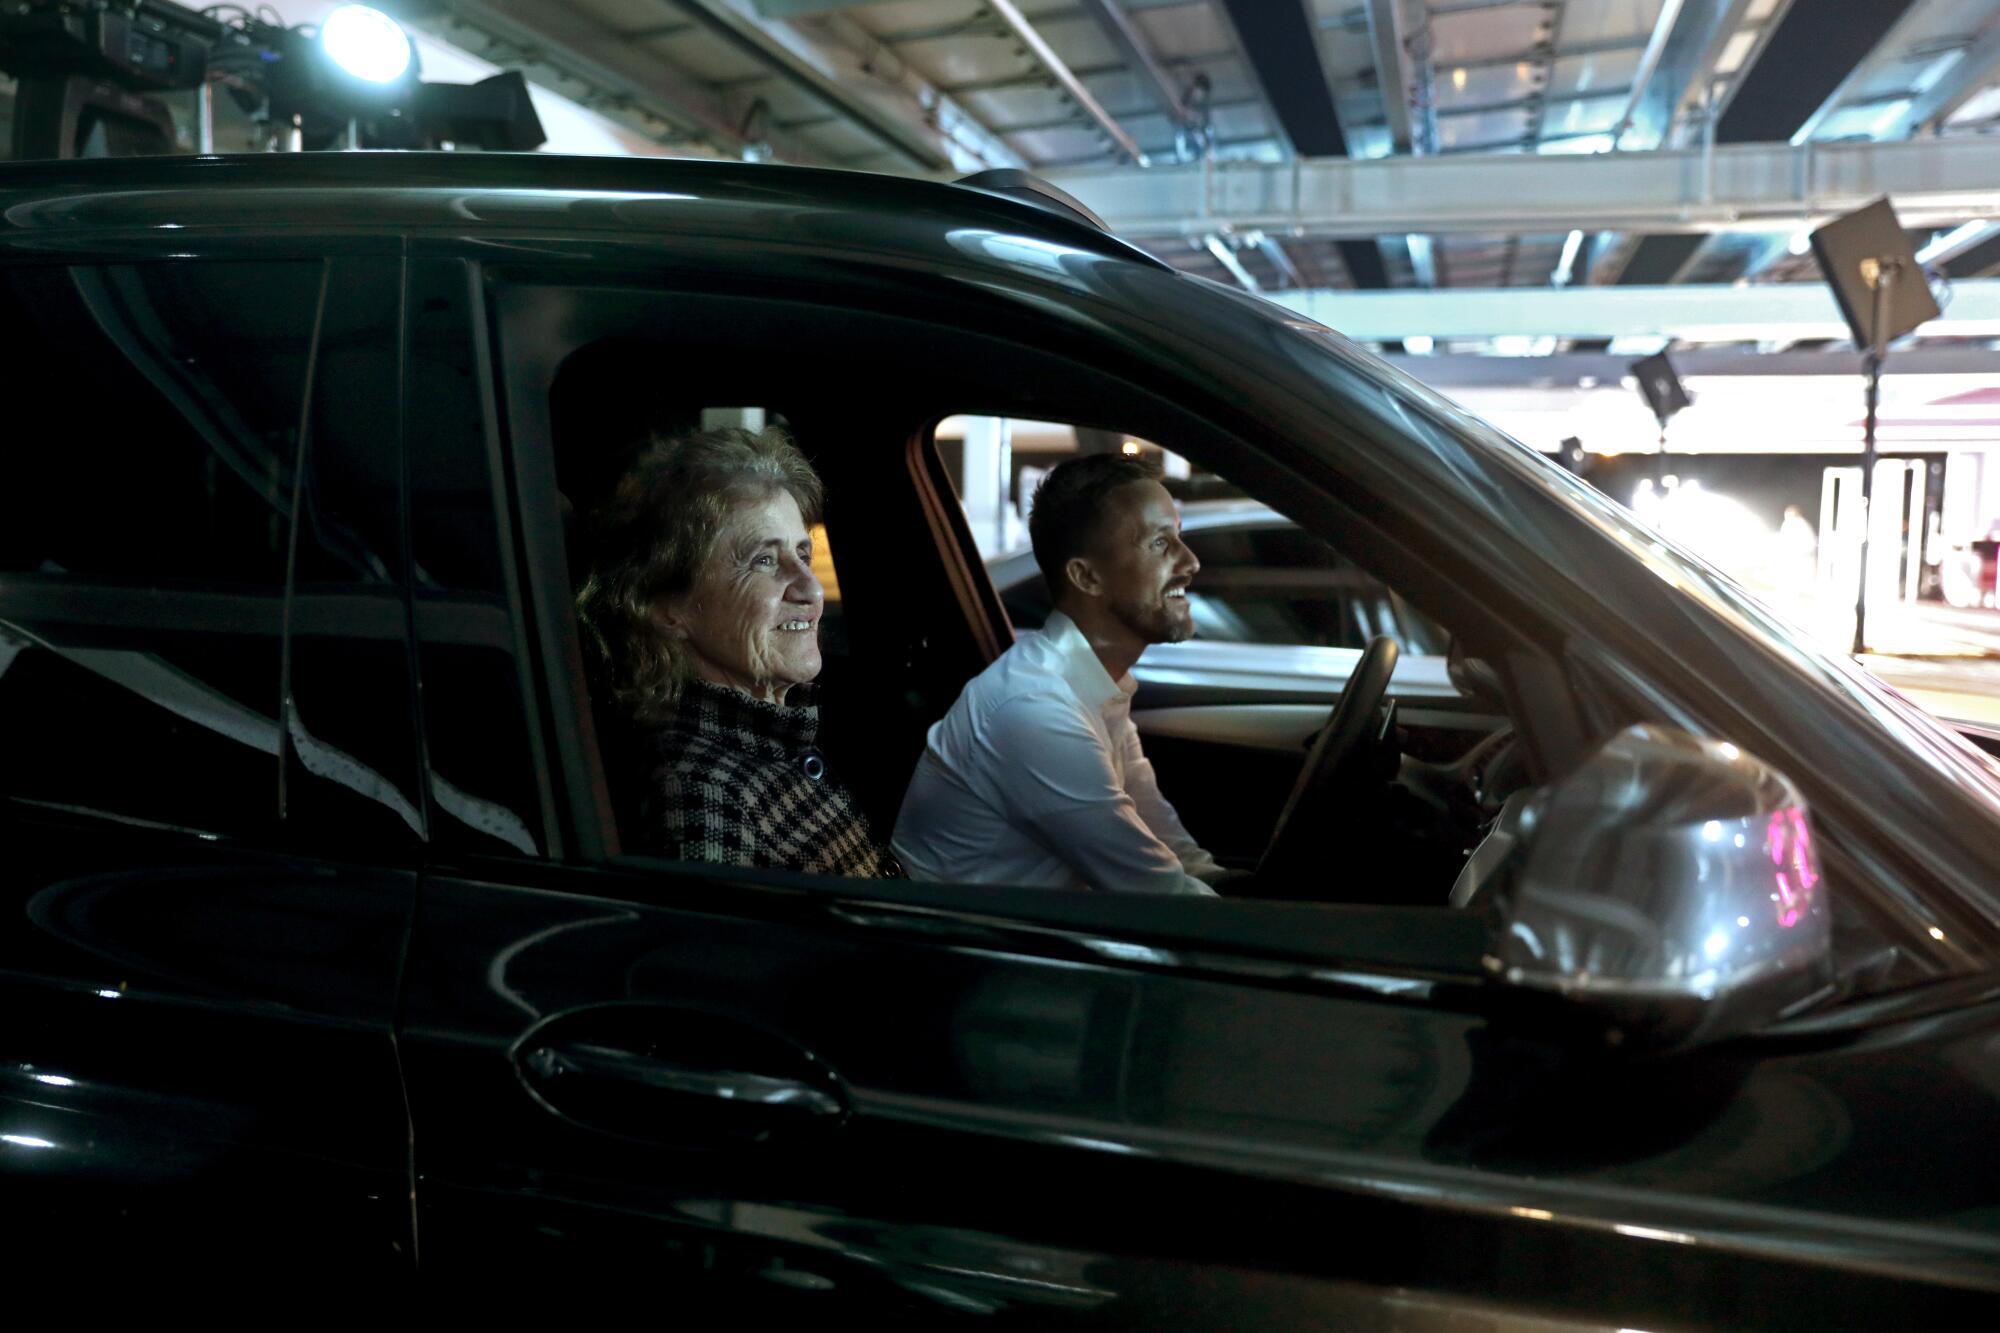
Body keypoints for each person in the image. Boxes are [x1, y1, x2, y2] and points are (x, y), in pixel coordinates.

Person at [893, 453, 1224, 895]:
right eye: (1160, 544)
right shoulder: (1034, 710)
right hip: (966, 953)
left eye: (1179, 537)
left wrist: (1248, 888)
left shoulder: (1092, 686)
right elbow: (1160, 898)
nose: (1191, 562)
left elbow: (1168, 846)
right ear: (1086, 576)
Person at [576, 425, 900, 877]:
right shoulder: (702, 796)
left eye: (803, 555)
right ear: (667, 608)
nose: (810, 588)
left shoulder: (765, 738)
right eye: (764, 560)